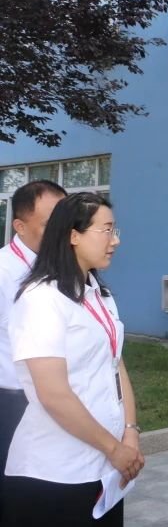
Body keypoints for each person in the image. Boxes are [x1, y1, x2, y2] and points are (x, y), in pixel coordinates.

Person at [2, 192, 140, 527]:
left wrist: (130, 433)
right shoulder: (42, 299)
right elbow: (53, 394)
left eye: (115, 230)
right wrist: (114, 449)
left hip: (104, 465)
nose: (115, 240)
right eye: (106, 230)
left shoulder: (98, 293)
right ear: (73, 235)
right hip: (56, 471)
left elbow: (115, 363)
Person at [0, 180, 66, 521]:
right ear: (20, 226)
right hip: (13, 404)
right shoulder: (3, 272)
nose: (60, 232)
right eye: (49, 224)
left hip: (60, 401)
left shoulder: (67, 269)